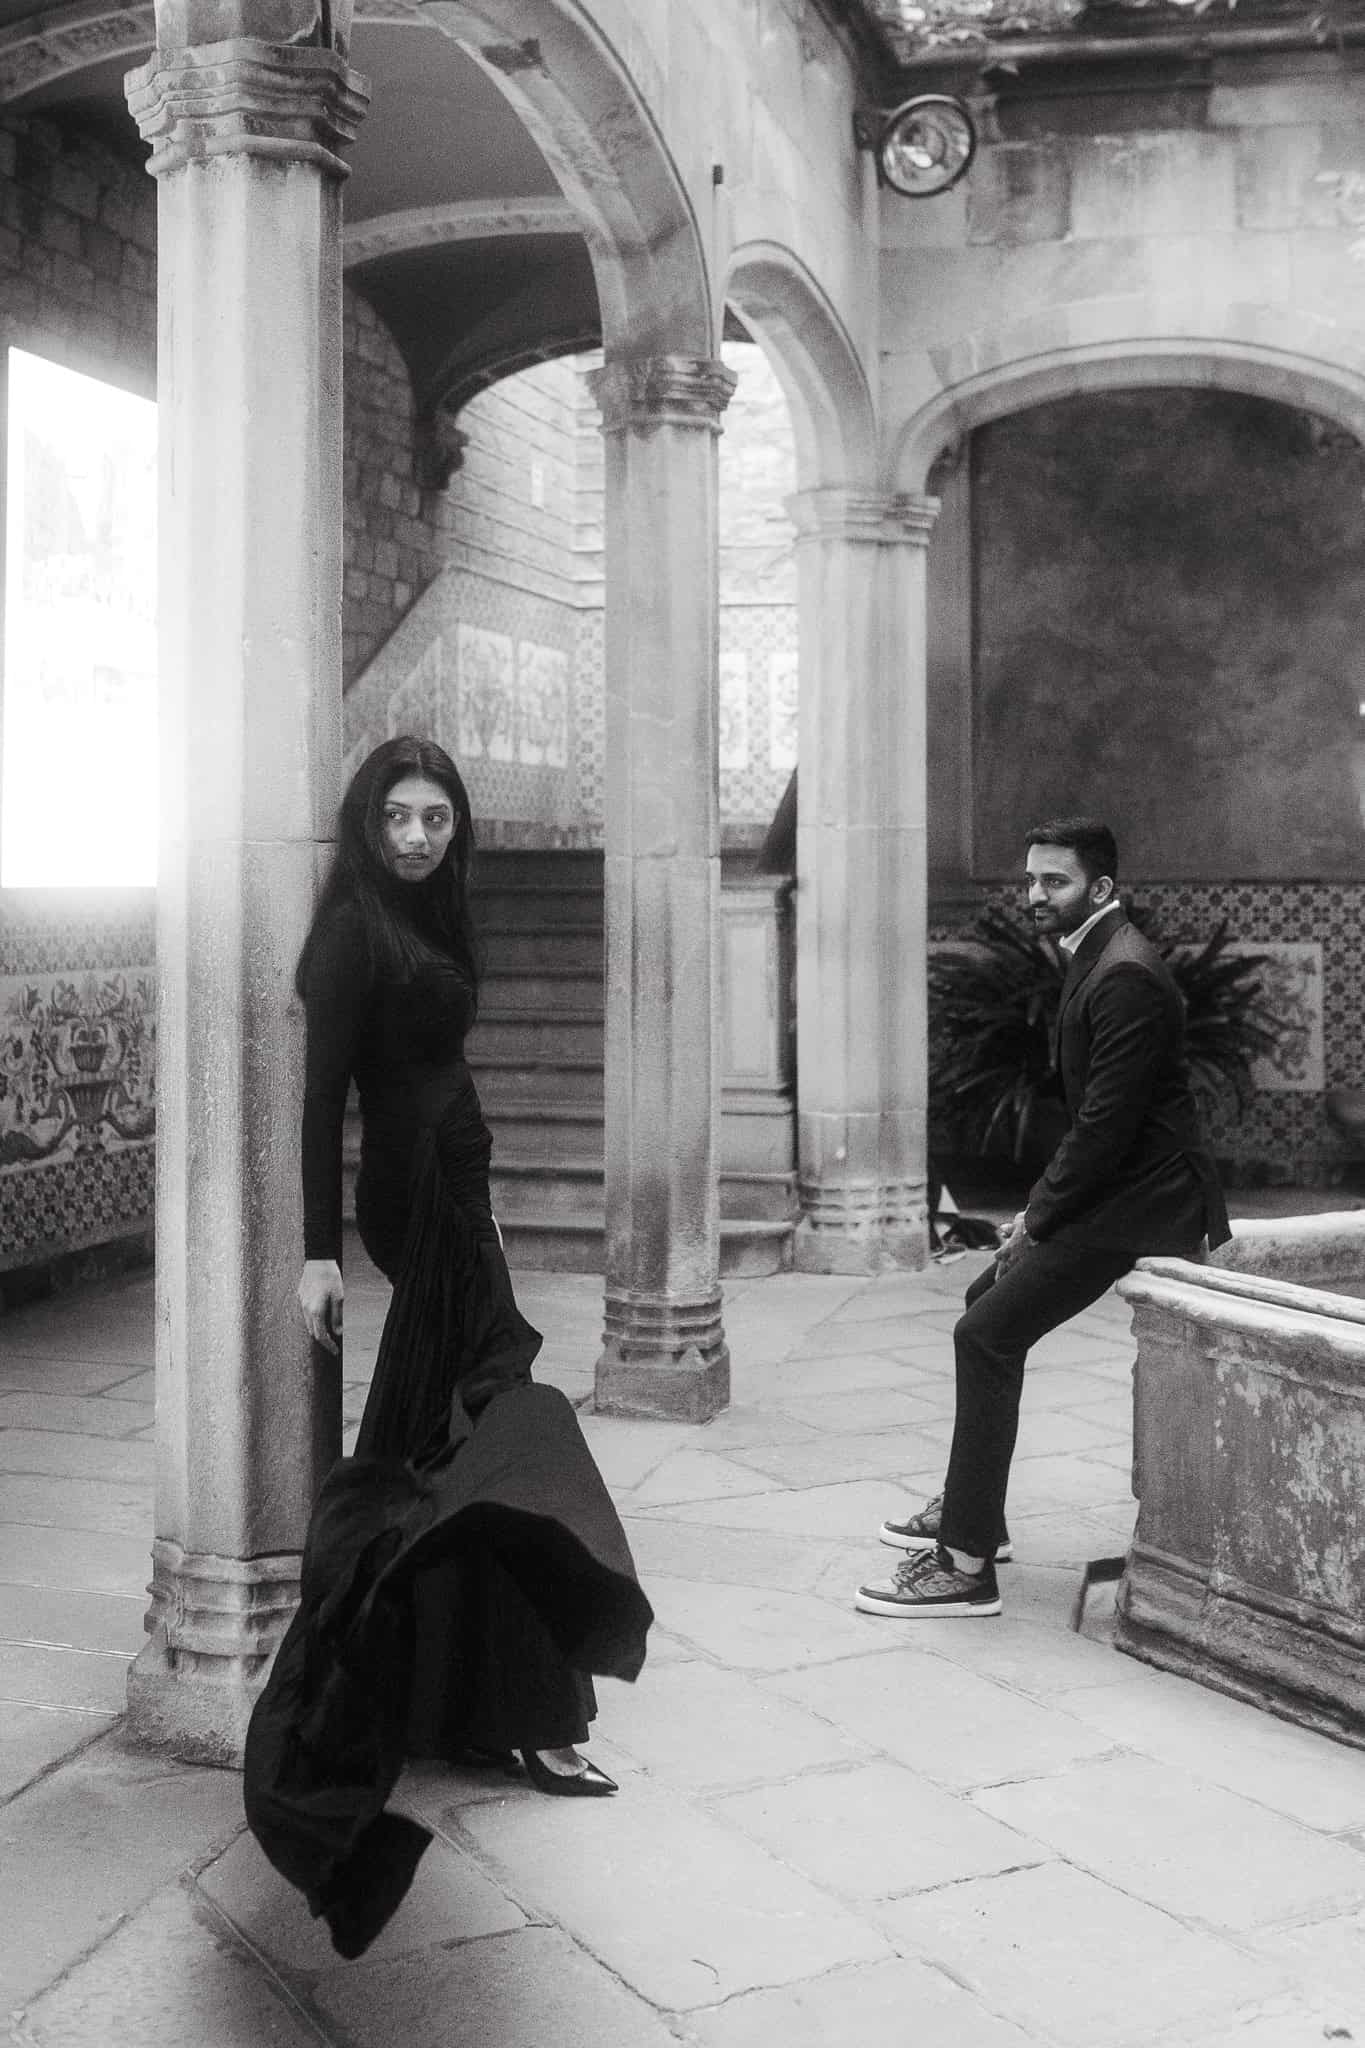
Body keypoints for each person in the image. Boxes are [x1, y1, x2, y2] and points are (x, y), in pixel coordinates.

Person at [244, 735, 652, 1958]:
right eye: (399, 818)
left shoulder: (427, 911)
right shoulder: (352, 934)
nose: (419, 837)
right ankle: (506, 1703)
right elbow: (324, 1099)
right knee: (497, 1425)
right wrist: (317, 1253)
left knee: (455, 1448)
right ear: (365, 823)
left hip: (456, 1197)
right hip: (418, 1207)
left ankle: (466, 1694)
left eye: (436, 818)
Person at [856, 817, 1230, 1620]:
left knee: (983, 1333)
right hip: (1115, 1190)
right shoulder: (1097, 953)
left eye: (1052, 882)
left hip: (1141, 1203)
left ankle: (962, 1569)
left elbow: (1108, 1124)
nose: (1034, 895)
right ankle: (974, 1518)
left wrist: (1036, 1215)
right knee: (981, 1310)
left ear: (1100, 888)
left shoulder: (1124, 971)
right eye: (1030, 881)